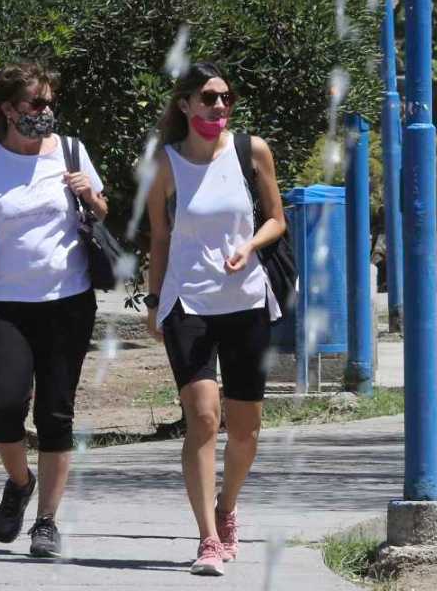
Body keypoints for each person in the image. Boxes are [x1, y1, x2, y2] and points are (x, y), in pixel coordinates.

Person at [0, 62, 107, 558]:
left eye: (48, 103)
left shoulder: (70, 150)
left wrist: (91, 195)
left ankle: (47, 523)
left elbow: (101, 211)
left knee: (56, 414)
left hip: (68, 302)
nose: (45, 112)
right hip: (6, 307)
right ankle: (20, 483)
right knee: (2, 408)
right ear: (8, 109)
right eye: (34, 104)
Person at [144, 62, 286, 576]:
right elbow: (159, 237)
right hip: (188, 304)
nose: (219, 107)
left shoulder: (253, 150)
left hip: (247, 301)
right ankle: (207, 537)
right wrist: (154, 299)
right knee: (204, 416)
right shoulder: (166, 164)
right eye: (207, 97)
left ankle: (227, 507)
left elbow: (277, 218)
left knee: (246, 429)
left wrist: (250, 245)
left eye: (225, 97)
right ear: (185, 105)